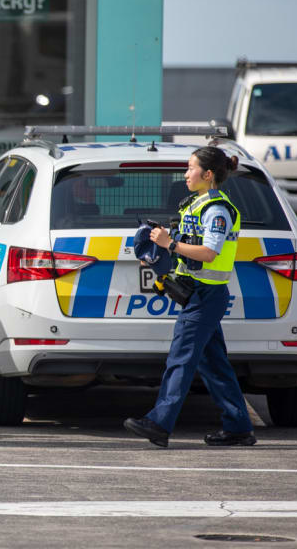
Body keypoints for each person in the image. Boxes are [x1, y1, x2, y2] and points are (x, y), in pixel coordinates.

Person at [124, 146, 255, 448]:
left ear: (208, 175)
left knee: (180, 358)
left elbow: (209, 252)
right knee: (213, 363)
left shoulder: (216, 210)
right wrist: (159, 250)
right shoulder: (195, 204)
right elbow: (188, 246)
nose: (185, 174)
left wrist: (170, 245)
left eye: (190, 168)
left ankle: (159, 422)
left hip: (206, 296)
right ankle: (238, 426)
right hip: (197, 293)